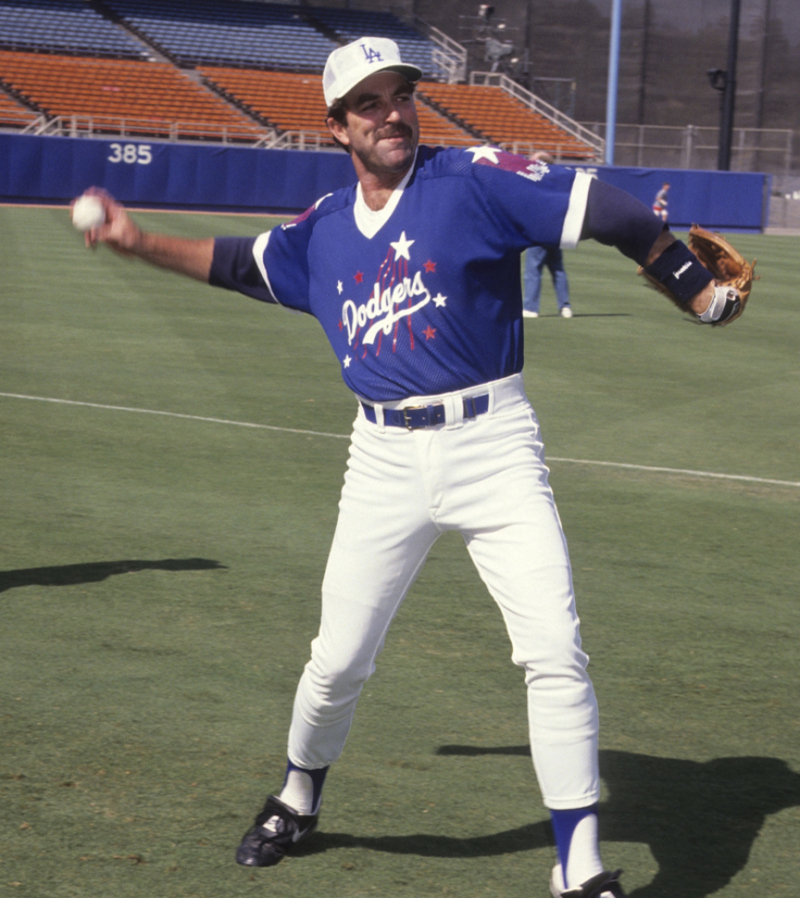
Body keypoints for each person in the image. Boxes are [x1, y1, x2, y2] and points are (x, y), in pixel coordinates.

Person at [77, 37, 740, 898]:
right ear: (336, 127)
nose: (391, 112)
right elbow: (241, 264)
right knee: (339, 659)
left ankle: (578, 867)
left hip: (494, 446)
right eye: (368, 103)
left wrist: (690, 281)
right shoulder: (322, 232)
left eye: (400, 94)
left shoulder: (474, 179)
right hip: (382, 458)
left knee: (554, 652)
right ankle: (297, 794)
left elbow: (609, 212)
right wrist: (136, 242)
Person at [523, 152, 573, 318]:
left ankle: (530, 307)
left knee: (533, 270)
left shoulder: (536, 181)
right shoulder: (557, 182)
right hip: (556, 231)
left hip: (539, 230)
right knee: (557, 269)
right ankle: (565, 307)